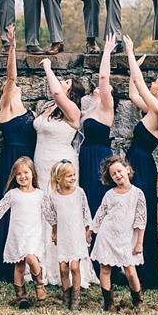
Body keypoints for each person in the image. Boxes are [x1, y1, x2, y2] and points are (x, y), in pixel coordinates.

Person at [36, 58, 98, 288]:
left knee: (61, 208)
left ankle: (65, 264)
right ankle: (42, 263)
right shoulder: (50, 108)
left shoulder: (72, 110)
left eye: (66, 81)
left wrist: (47, 67)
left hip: (60, 161)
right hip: (41, 161)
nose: (61, 82)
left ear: (70, 92)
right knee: (44, 208)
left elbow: (55, 92)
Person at [122, 35, 158, 287]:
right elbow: (133, 92)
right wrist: (135, 69)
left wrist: (130, 52)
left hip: (142, 164)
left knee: (141, 214)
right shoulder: (152, 107)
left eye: (155, 82)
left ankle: (145, 269)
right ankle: (130, 264)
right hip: (136, 160)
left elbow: (140, 85)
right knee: (130, 213)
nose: (151, 82)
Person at [0, 24, 38, 280]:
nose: (14, 85)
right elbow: (12, 77)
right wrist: (12, 46)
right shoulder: (7, 103)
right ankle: (10, 262)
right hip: (13, 159)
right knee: (12, 208)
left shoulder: (26, 109)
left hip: (29, 160)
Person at [0, 157, 47, 308]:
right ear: (14, 177)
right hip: (17, 235)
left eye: (26, 172)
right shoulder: (13, 194)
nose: (22, 176)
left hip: (33, 234)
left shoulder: (40, 194)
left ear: (33, 173)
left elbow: (50, 214)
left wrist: (56, 229)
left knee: (31, 258)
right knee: (19, 266)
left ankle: (39, 285)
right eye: (18, 173)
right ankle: (21, 297)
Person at [91, 155, 147, 312]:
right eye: (113, 174)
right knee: (105, 269)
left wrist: (139, 243)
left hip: (126, 239)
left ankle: (137, 301)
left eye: (119, 171)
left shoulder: (137, 194)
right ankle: (108, 303)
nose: (117, 175)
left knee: (130, 271)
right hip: (107, 236)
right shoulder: (110, 194)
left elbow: (141, 220)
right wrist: (91, 232)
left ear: (127, 170)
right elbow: (100, 214)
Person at [41, 160, 94, 310]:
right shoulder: (53, 196)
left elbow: (86, 212)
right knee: (63, 268)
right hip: (63, 236)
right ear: (59, 178)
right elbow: (50, 214)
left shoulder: (79, 193)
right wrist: (54, 230)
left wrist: (88, 231)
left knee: (75, 267)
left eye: (74, 175)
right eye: (69, 176)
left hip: (76, 235)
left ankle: (76, 298)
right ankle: (66, 295)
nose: (73, 178)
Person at [78, 35, 116, 219]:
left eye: (106, 88)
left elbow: (103, 77)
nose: (101, 87)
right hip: (84, 156)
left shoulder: (105, 109)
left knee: (96, 200)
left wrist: (107, 52)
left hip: (99, 159)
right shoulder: (88, 109)